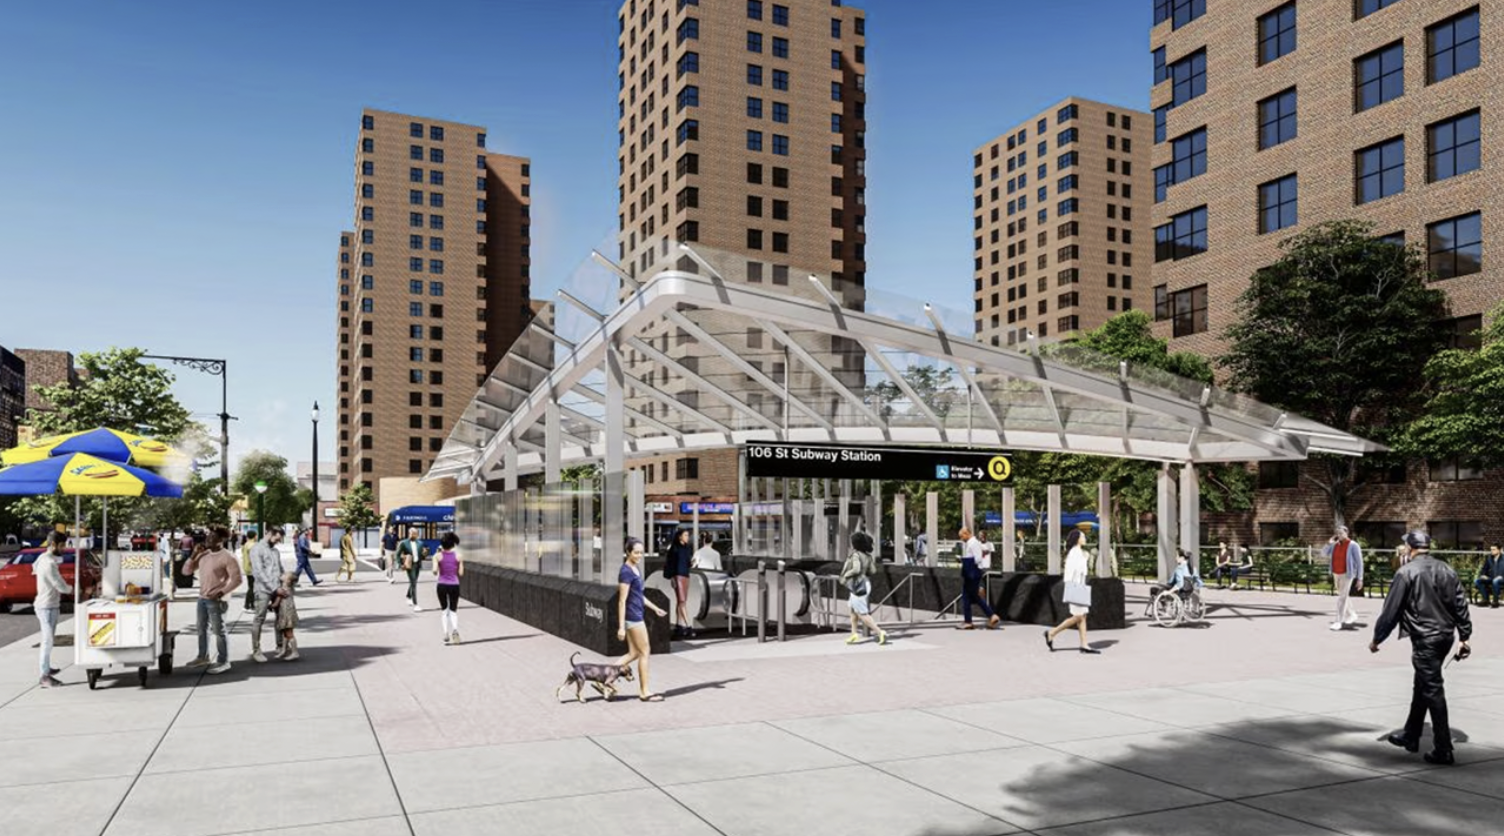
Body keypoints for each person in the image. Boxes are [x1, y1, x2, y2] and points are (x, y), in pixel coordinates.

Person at [1370, 530, 1473, 765]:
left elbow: (1391, 610)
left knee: (1433, 690)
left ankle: (1443, 749)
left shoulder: (1405, 572)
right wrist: (1464, 636)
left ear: (1410, 547)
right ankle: (1411, 735)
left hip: (1425, 638)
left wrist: (1377, 638)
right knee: (1423, 685)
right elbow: (1460, 604)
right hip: (1445, 636)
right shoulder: (1446, 569)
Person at [182, 526, 243, 675]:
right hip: (202, 598)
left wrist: (221, 592)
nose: (208, 539)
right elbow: (186, 572)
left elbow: (237, 580)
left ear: (222, 540)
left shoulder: (228, 557)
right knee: (201, 628)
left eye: (212, 537)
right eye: (208, 537)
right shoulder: (204, 554)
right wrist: (194, 554)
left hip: (217, 600)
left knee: (219, 630)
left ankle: (223, 661)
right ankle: (203, 657)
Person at [615, 537, 668, 701]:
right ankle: (644, 692)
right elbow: (622, 600)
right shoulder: (626, 572)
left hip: (637, 613)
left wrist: (655, 608)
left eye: (641, 552)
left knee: (633, 653)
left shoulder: (635, 569)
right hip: (633, 617)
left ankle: (603, 675)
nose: (639, 555)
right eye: (636, 552)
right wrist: (621, 627)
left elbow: (639, 596)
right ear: (628, 552)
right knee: (645, 652)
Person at [1044, 528, 1100, 654]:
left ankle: (1084, 645)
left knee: (1083, 617)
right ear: (1077, 539)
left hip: (1080, 587)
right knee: (1078, 616)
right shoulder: (1074, 553)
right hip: (1076, 588)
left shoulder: (1080, 552)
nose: (1085, 539)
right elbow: (1069, 573)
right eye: (1083, 537)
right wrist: (1072, 587)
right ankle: (1052, 632)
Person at [32, 532, 72, 688]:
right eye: (62, 546)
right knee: (47, 641)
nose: (64, 549)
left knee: (49, 640)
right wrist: (74, 589)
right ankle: (44, 676)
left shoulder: (45, 559)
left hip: (50, 605)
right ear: (53, 544)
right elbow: (60, 585)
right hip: (46, 606)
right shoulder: (48, 563)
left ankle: (47, 668)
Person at [840, 530, 887, 645]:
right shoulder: (867, 556)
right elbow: (873, 570)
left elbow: (856, 569)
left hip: (858, 585)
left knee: (862, 613)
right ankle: (854, 634)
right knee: (853, 610)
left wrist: (846, 575)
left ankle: (880, 632)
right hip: (865, 583)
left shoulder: (856, 555)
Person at [249, 528, 286, 662]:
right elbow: (258, 572)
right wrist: (274, 588)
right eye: (276, 539)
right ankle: (256, 650)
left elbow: (280, 569)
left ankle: (280, 645)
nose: (277, 542)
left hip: (277, 588)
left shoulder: (275, 551)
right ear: (269, 534)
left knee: (280, 617)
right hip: (263, 590)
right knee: (259, 618)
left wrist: (285, 582)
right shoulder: (256, 549)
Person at [956, 527, 1001, 630]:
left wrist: (965, 561)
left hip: (973, 572)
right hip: (971, 572)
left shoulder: (973, 543)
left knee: (970, 596)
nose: (961, 539)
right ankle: (973, 619)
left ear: (966, 534)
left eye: (961, 536)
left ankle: (974, 620)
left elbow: (978, 559)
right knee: (970, 596)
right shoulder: (971, 543)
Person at [1322, 525, 1364, 630]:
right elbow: (1323, 554)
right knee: (1343, 595)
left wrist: (1360, 578)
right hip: (1336, 573)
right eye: (1337, 533)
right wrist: (1328, 543)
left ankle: (1338, 621)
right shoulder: (1334, 545)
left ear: (1347, 533)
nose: (1339, 535)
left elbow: (1360, 563)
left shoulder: (1353, 545)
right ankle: (1352, 614)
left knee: (1342, 598)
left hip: (1347, 574)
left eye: (1341, 533)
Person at [433, 532, 464, 644]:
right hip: (454, 585)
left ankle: (445, 632)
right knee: (453, 610)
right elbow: (461, 573)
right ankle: (455, 631)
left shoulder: (437, 556)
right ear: (453, 544)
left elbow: (434, 571)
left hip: (441, 585)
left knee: (444, 610)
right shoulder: (459, 556)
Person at [663, 528, 694, 638]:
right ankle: (688, 626)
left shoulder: (687, 548)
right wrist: (671, 577)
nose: (687, 537)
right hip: (678, 576)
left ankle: (678, 626)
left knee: (681, 602)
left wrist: (693, 563)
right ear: (679, 536)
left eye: (687, 535)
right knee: (682, 602)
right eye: (685, 535)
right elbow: (669, 564)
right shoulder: (674, 549)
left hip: (686, 576)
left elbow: (688, 563)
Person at [268, 571, 301, 661]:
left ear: (287, 581)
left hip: (285, 614)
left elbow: (276, 604)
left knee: (289, 634)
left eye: (285, 575)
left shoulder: (282, 590)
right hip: (289, 613)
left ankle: (295, 652)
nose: (282, 574)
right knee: (285, 634)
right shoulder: (290, 588)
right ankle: (283, 650)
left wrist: (269, 606)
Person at [397, 526, 428, 612]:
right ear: (409, 534)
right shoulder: (404, 543)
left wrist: (425, 554)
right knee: (413, 583)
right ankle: (416, 604)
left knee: (413, 582)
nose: (413, 535)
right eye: (411, 533)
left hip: (417, 565)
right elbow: (397, 554)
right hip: (409, 565)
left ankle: (408, 596)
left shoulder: (420, 543)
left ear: (417, 534)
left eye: (415, 534)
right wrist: (400, 564)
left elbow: (422, 555)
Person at [1475, 544, 1503, 608]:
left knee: (1496, 581)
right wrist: (1483, 575)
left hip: (1502, 578)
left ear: (1499, 550)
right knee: (1478, 581)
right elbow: (1484, 569)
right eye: (1491, 549)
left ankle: (1495, 601)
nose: (1492, 551)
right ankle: (1486, 600)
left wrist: (1501, 576)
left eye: (1494, 549)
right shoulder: (1489, 558)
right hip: (1491, 578)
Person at [240, 530, 259, 610]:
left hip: (247, 568)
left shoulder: (246, 544)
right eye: (256, 535)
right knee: (252, 587)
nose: (257, 537)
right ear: (254, 536)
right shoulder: (253, 545)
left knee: (251, 586)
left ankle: (250, 604)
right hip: (252, 569)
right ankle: (248, 605)